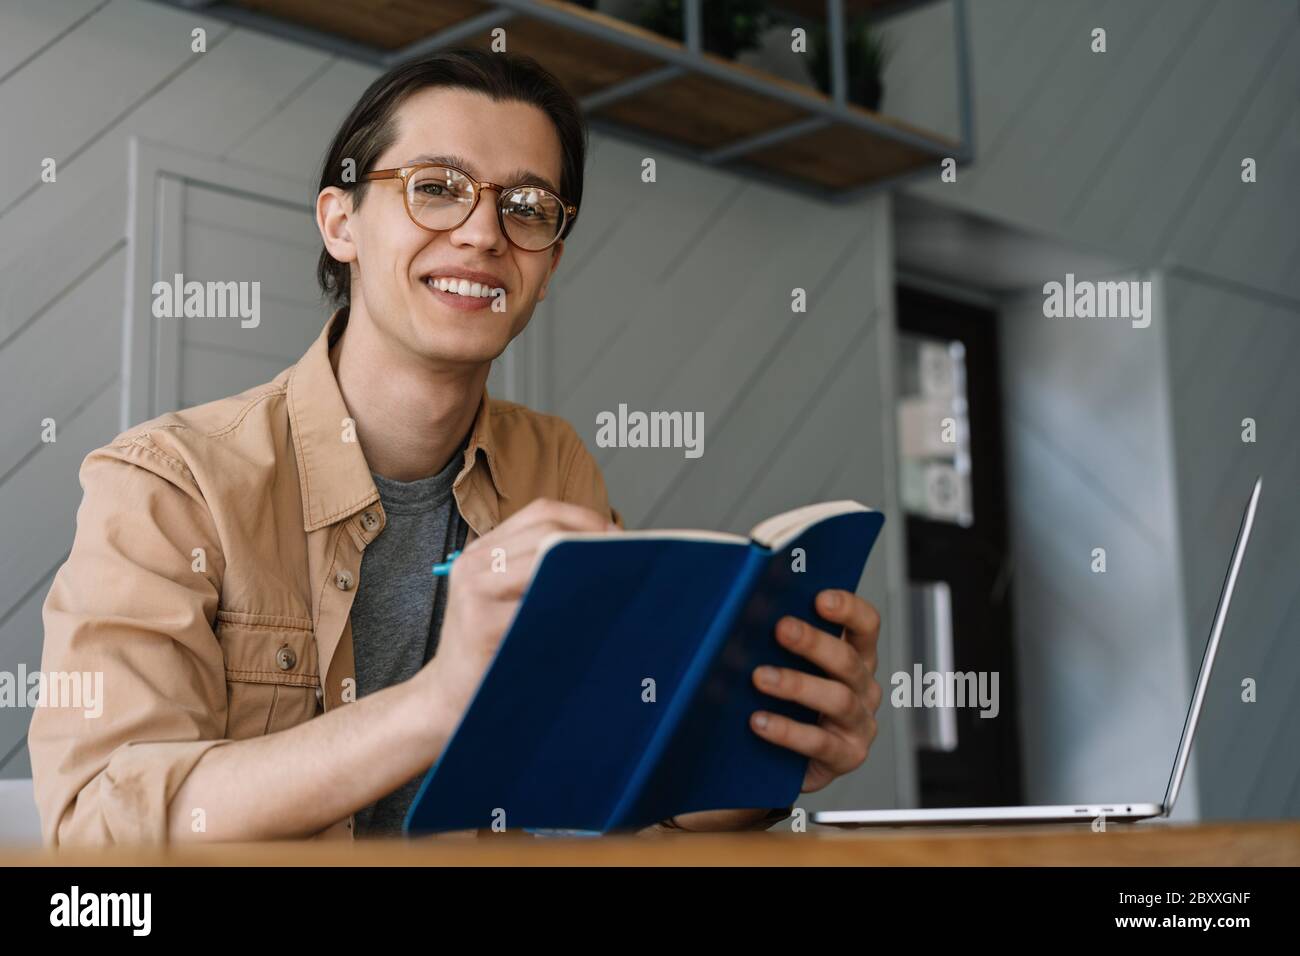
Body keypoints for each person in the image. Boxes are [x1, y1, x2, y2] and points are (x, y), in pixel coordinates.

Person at [29, 49, 883, 844]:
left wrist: (766, 755)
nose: (484, 234)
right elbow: (100, 825)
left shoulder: (554, 469)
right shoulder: (167, 484)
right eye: (437, 187)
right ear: (342, 222)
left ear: (548, 265)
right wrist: (434, 705)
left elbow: (611, 803)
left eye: (527, 207)